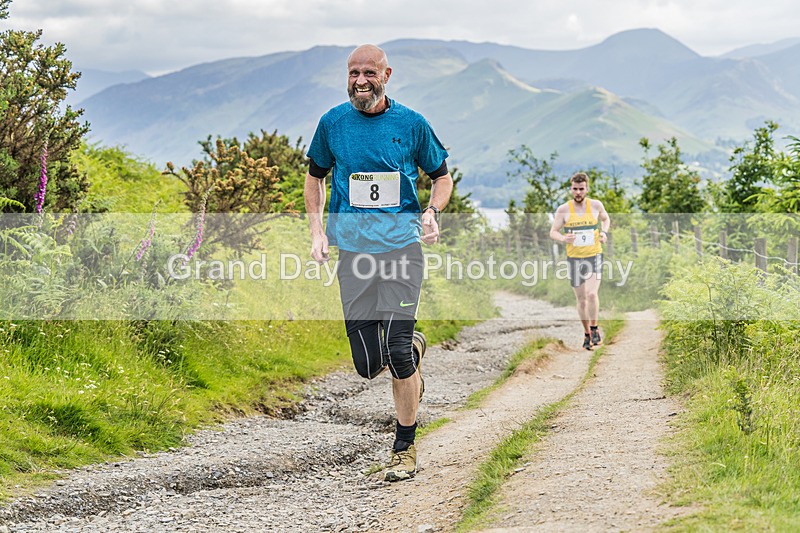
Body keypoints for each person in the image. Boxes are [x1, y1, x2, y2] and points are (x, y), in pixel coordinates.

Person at [304, 44, 453, 481]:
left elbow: (441, 177)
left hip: (402, 250)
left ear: (387, 74)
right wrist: (316, 231)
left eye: (369, 72)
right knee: (368, 364)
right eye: (353, 73)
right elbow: (314, 178)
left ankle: (404, 447)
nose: (360, 81)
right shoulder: (332, 123)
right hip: (354, 252)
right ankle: (415, 348)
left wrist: (431, 211)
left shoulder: (411, 124)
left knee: (397, 353)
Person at [549, 172, 610, 350]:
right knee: (581, 299)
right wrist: (563, 238)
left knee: (592, 294)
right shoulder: (563, 210)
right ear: (571, 189)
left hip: (594, 255)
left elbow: (605, 219)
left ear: (587, 189)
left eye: (581, 189)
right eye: (575, 189)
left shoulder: (596, 205)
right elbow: (553, 231)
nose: (578, 192)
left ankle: (594, 327)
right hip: (575, 258)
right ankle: (586, 333)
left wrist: (604, 233)